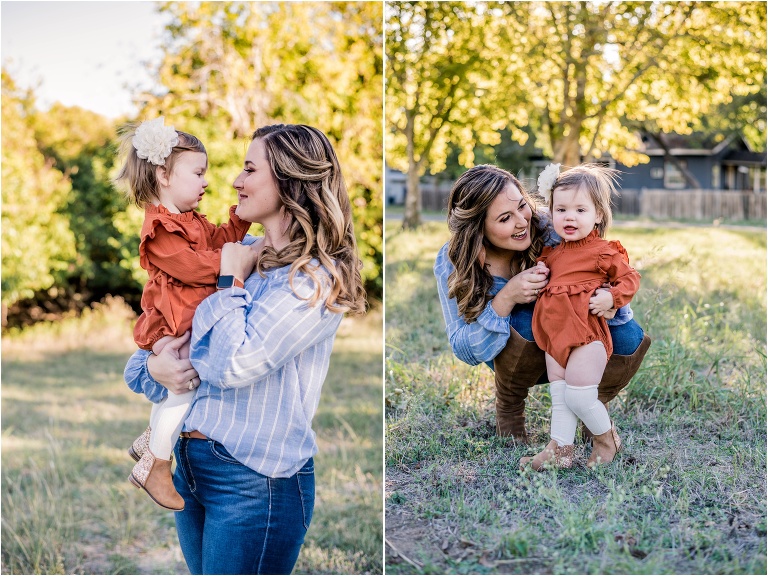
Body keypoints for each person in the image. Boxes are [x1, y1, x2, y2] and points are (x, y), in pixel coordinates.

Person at [123, 124, 366, 574]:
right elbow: (140, 370)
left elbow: (231, 364)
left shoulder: (313, 277)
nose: (235, 181)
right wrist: (157, 367)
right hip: (192, 468)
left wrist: (229, 281)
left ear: (291, 181)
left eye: (250, 168)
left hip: (254, 479)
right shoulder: (240, 254)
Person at [434, 164, 651, 445]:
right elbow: (464, 348)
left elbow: (603, 267)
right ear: (479, 229)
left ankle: (592, 402)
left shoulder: (554, 225)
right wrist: (507, 297)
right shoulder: (453, 260)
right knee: (528, 323)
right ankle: (510, 405)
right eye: (504, 219)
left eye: (522, 206)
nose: (522, 222)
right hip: (519, 342)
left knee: (628, 335)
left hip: (573, 328)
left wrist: (608, 298)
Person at [114, 117, 251, 512]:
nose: (206, 181)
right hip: (173, 320)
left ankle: (150, 441)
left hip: (190, 318)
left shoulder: (192, 221)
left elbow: (219, 244)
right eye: (198, 172)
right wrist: (236, 262)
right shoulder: (158, 228)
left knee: (183, 385)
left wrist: (239, 224)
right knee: (185, 385)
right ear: (164, 175)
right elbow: (193, 267)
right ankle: (156, 462)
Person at [520, 164, 641, 471]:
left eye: (580, 210)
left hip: (587, 335)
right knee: (559, 395)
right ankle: (561, 449)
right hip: (554, 334)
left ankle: (606, 438)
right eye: (560, 209)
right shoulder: (551, 253)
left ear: (598, 214)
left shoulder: (603, 251)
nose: (569, 217)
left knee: (579, 396)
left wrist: (611, 297)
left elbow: (629, 279)